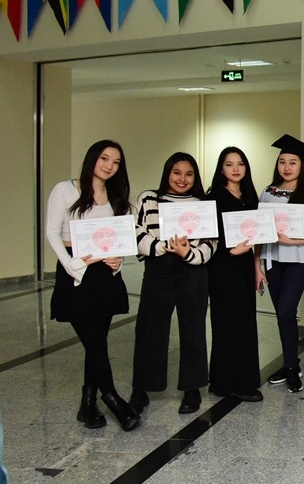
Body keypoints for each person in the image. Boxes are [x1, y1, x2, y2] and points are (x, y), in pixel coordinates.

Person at [45, 140, 139, 431]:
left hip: (105, 274)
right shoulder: (66, 189)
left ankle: (88, 403)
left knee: (97, 339)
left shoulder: (117, 194)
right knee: (93, 339)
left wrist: (118, 261)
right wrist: (69, 262)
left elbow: (121, 236)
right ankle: (111, 397)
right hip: (77, 271)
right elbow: (50, 230)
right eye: (105, 158)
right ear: (92, 159)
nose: (109, 165)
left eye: (116, 162)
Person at [131, 153, 217, 415]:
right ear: (167, 173)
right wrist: (162, 247)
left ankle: (192, 389)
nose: (182, 179)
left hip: (192, 271)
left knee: (193, 329)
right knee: (149, 329)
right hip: (157, 270)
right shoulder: (148, 198)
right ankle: (141, 389)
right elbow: (135, 230)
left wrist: (187, 254)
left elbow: (211, 243)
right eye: (176, 172)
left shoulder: (203, 203)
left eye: (189, 174)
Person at [260, 135, 304, 392]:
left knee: (286, 311)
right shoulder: (267, 192)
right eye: (282, 162)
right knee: (282, 315)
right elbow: (258, 230)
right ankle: (291, 363)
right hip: (271, 259)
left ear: (302, 166)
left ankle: (290, 367)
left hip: (298, 260)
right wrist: (257, 265)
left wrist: (295, 241)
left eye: (293, 162)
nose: (287, 167)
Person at [206, 147, 265, 402]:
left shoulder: (250, 196)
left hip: (243, 267)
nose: (236, 168)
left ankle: (243, 381)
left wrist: (257, 268)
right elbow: (207, 236)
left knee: (245, 323)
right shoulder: (213, 197)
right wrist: (230, 251)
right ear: (222, 169)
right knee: (225, 324)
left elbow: (256, 238)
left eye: (240, 163)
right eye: (229, 164)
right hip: (222, 265)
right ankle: (225, 383)